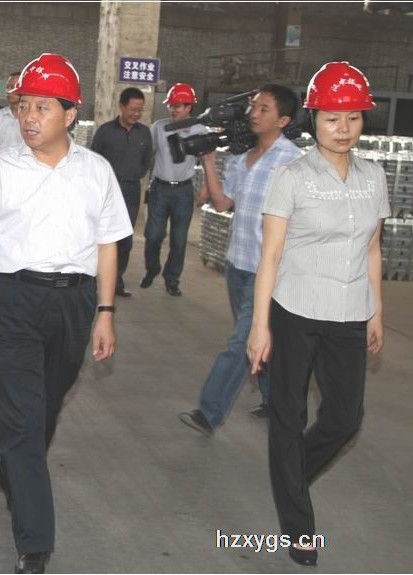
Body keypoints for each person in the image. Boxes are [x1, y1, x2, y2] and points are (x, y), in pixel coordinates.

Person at [0, 53, 131, 574]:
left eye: (43, 107)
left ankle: (14, 468)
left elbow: (107, 245)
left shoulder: (96, 171)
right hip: (13, 299)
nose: (29, 117)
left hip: (75, 302)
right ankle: (35, 542)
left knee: (46, 406)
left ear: (70, 114)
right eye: (24, 106)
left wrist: (105, 311)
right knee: (21, 417)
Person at [247, 63, 388, 567]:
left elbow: (372, 249)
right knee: (289, 417)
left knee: (345, 419)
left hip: (349, 313)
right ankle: (299, 529)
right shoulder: (293, 177)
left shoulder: (374, 177)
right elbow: (270, 256)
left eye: (353, 117)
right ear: (314, 120)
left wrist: (376, 312)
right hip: (295, 311)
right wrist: (260, 326)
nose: (343, 128)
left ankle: (288, 476)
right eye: (332, 118)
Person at [178, 84, 303, 436]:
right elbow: (221, 203)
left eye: (264, 109)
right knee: (256, 338)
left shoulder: (293, 162)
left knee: (240, 343)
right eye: (253, 107)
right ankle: (274, 399)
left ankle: (209, 412)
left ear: (283, 120)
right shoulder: (240, 158)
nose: (254, 114)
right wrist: (208, 161)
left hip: (270, 270)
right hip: (238, 263)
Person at [140, 83, 208, 296]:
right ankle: (152, 269)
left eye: (177, 106)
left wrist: (206, 187)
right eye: (171, 105)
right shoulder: (159, 127)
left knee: (179, 240)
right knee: (153, 235)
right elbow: (149, 154)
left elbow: (207, 159)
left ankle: (172, 279)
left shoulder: (198, 129)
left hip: (183, 192)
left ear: (189, 107)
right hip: (159, 190)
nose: (172, 110)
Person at [90, 87, 152, 297]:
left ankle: (116, 280)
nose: (136, 114)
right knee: (102, 235)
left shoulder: (144, 133)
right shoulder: (106, 131)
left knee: (125, 238)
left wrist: (133, 174)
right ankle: (94, 276)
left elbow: (146, 162)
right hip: (106, 190)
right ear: (121, 106)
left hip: (131, 190)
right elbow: (94, 160)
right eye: (133, 109)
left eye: (140, 110)